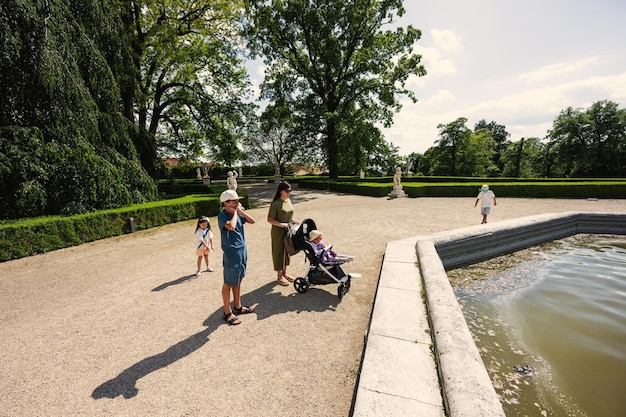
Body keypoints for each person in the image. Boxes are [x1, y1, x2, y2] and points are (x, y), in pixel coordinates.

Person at [218, 189, 256, 326]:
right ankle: (227, 312)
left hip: (242, 251)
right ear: (226, 203)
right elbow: (232, 226)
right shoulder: (222, 216)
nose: (237, 203)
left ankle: (238, 306)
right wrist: (235, 213)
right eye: (234, 201)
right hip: (231, 253)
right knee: (228, 282)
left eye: (237, 201)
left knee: (239, 279)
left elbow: (253, 221)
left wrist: (240, 212)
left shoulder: (237, 213)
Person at [267, 181, 298, 286]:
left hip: (287, 230)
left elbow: (289, 215)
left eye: (290, 190)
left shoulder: (288, 201)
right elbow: (270, 219)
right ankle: (279, 276)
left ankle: (285, 273)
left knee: (287, 251)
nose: (289, 193)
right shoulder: (275, 203)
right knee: (278, 252)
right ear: (281, 191)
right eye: (287, 191)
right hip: (278, 232)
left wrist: (295, 221)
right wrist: (282, 224)